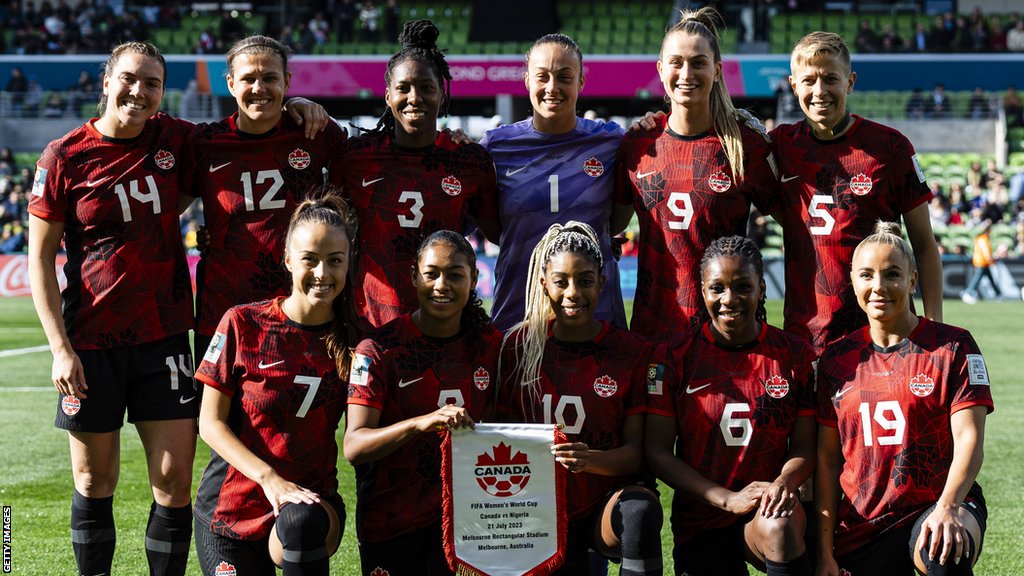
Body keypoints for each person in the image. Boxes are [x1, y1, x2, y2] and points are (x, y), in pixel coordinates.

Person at [27, 42, 197, 576]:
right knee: (93, 481)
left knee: (173, 481)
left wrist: (304, 109)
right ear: (105, 82)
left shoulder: (176, 139)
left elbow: (243, 133)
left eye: (152, 83)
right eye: (129, 79)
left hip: (164, 337)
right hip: (90, 344)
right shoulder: (64, 156)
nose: (139, 91)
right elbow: (38, 261)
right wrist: (60, 349)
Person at [816, 222, 993, 575]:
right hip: (866, 520)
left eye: (892, 274)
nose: (879, 286)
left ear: (913, 280)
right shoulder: (835, 361)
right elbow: (827, 460)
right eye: (866, 275)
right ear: (853, 283)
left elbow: (969, 439)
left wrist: (948, 506)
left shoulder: (953, 347)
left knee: (944, 549)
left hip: (939, 503)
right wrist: (823, 553)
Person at [193, 196, 357, 575]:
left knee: (300, 520)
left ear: (348, 263)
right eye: (310, 259)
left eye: (335, 260)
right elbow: (209, 423)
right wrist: (270, 480)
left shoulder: (356, 340)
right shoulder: (242, 323)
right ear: (287, 260)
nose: (323, 272)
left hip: (310, 505)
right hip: (231, 509)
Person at [498, 222, 663, 575]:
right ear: (544, 284)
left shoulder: (632, 352)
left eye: (585, 281)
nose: (573, 292)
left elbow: (635, 455)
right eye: (561, 281)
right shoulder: (516, 348)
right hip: (536, 506)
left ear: (602, 283)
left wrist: (589, 460)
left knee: (639, 511)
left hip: (602, 502)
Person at [644, 236, 815, 576]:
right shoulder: (674, 357)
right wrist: (726, 498)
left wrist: (783, 483)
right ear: (702, 289)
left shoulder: (794, 355)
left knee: (779, 526)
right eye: (717, 288)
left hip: (766, 510)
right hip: (700, 519)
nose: (729, 299)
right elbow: (656, 452)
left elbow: (806, 447)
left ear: (761, 289)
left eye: (742, 287)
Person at [770, 31, 943, 356]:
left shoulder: (890, 148)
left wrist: (933, 326)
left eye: (830, 79)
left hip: (882, 337)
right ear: (793, 85)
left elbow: (924, 245)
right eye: (808, 81)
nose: (819, 91)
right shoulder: (780, 145)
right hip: (805, 341)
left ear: (850, 82)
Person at [614, 7, 778, 343]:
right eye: (676, 62)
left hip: (724, 335)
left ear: (717, 71)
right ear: (661, 70)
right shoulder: (637, 144)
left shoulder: (745, 145)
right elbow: (612, 225)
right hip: (652, 334)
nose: (686, 73)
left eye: (698, 62)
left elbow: (796, 224)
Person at [345, 230, 502, 575]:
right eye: (431, 274)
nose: (442, 285)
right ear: (414, 276)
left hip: (469, 526)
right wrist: (420, 423)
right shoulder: (375, 350)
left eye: (455, 275)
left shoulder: (493, 346)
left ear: (474, 279)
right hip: (392, 522)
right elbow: (354, 445)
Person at [185, 35, 347, 363]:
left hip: (301, 307)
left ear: (287, 81)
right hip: (224, 309)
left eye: (270, 78)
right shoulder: (205, 144)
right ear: (230, 83)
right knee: (216, 414)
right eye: (248, 79)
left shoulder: (315, 133)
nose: (259, 87)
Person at [335, 19, 498, 330]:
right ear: (387, 96)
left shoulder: (468, 161)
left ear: (442, 94)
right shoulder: (354, 157)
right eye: (403, 88)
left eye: (426, 88)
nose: (414, 97)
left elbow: (501, 233)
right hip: (370, 328)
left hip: (446, 328)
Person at [481, 33, 629, 332]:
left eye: (564, 77)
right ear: (526, 80)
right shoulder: (495, 147)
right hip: (519, 313)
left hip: (595, 315)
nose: (552, 88)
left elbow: (616, 223)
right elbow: (496, 231)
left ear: (581, 82)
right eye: (542, 77)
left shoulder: (611, 142)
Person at [961, 220, 1001, 303]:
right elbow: (985, 251)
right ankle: (968, 293)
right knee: (977, 279)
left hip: (982, 263)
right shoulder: (983, 238)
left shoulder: (979, 238)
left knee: (990, 279)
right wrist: (991, 260)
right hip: (982, 262)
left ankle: (998, 294)